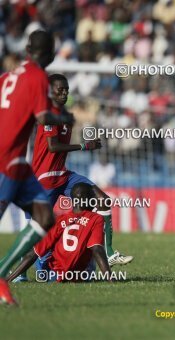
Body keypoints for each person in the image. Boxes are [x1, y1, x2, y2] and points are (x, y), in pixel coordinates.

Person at [0, 30, 75, 305]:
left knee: (44, 218)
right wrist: (64, 116)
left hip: (18, 162)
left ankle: (2, 274)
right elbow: (45, 117)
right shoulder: (37, 78)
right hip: (7, 160)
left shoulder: (9, 76)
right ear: (51, 54)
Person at [28, 74, 133, 269]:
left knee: (103, 199)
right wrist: (85, 146)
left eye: (66, 90)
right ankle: (21, 271)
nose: (64, 93)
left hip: (63, 175)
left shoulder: (66, 116)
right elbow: (53, 146)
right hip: (44, 179)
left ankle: (108, 252)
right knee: (39, 231)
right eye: (60, 90)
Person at [7, 183, 112, 283]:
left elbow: (32, 254)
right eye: (93, 197)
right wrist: (111, 280)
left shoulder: (59, 220)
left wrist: (9, 279)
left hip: (54, 275)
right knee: (91, 245)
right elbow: (97, 249)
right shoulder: (96, 218)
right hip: (81, 276)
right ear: (88, 199)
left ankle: (24, 275)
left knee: (42, 249)